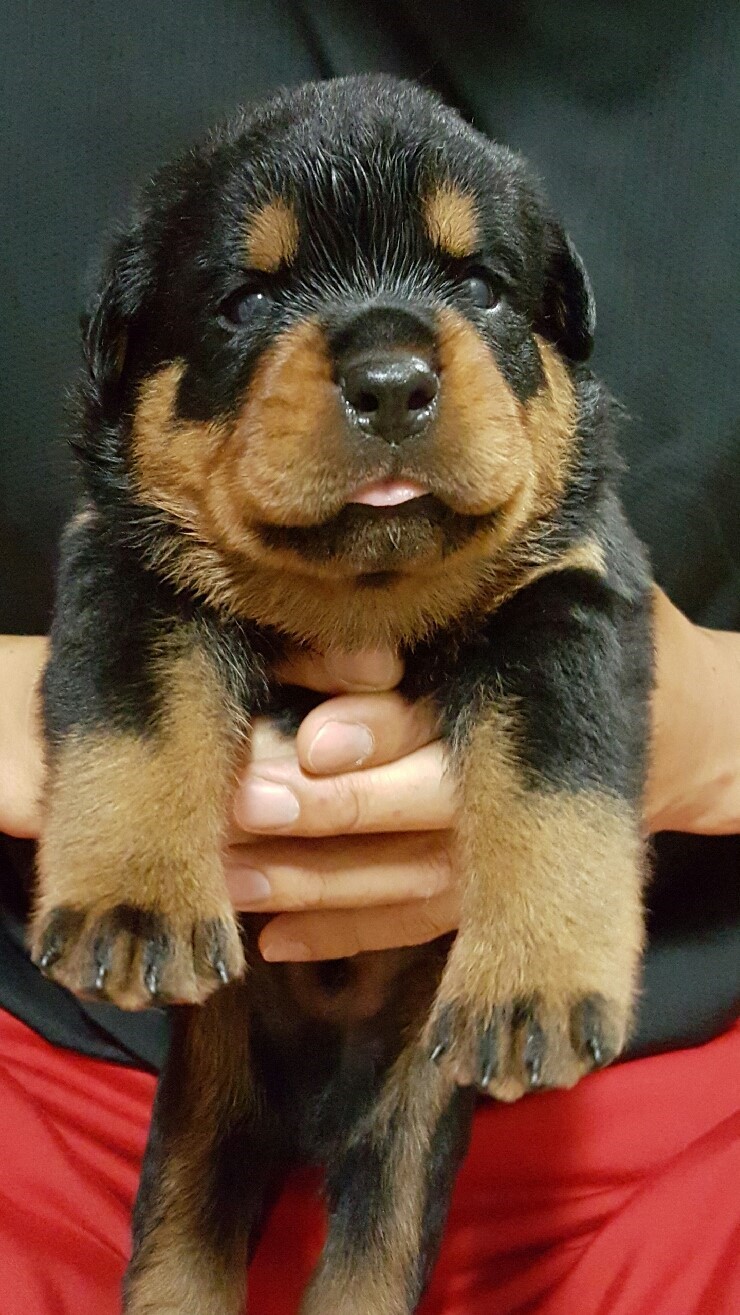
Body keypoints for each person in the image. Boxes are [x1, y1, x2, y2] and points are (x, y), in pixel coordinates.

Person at [1, 2, 738, 1312]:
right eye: (249, 300)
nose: (391, 371)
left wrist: (708, 738)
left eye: (480, 288)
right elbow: (126, 599)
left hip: (645, 1115)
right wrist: (108, 821)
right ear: (125, 365)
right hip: (71, 1075)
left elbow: (590, 660)